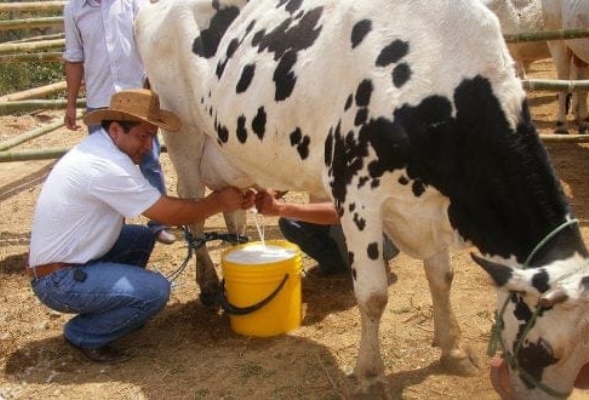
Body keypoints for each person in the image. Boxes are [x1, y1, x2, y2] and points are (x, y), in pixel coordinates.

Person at [28, 89, 255, 364]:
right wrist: (219, 201)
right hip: (57, 281)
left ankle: (118, 307)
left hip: (67, 262)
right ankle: (85, 333)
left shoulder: (100, 150)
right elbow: (168, 214)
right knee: (156, 291)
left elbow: (159, 204)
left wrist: (214, 201)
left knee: (140, 238)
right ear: (115, 130)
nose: (148, 146)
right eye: (142, 136)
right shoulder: (105, 166)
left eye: (152, 137)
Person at [62, 0, 177, 244]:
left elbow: (152, 40)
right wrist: (70, 103)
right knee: (103, 169)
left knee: (149, 160)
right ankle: (112, 230)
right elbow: (74, 58)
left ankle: (159, 223)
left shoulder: (134, 2)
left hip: (136, 97)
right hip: (100, 100)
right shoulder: (74, 9)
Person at [254, 189, 399, 276]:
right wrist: (262, 193)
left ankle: (374, 265)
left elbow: (341, 213)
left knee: (344, 225)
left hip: (378, 234)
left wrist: (280, 208)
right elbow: (284, 182)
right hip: (330, 222)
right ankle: (334, 264)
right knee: (288, 222)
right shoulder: (312, 151)